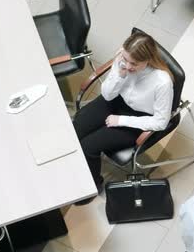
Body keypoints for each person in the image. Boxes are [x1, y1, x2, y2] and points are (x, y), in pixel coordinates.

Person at [72, 31, 173, 205]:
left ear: (147, 60)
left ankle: (93, 185)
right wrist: (120, 73)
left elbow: (161, 121)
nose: (127, 64)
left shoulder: (162, 82)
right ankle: (77, 168)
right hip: (116, 100)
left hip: (138, 117)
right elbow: (107, 95)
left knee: (89, 146)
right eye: (125, 58)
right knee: (76, 128)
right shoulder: (122, 59)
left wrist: (121, 120)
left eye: (134, 63)